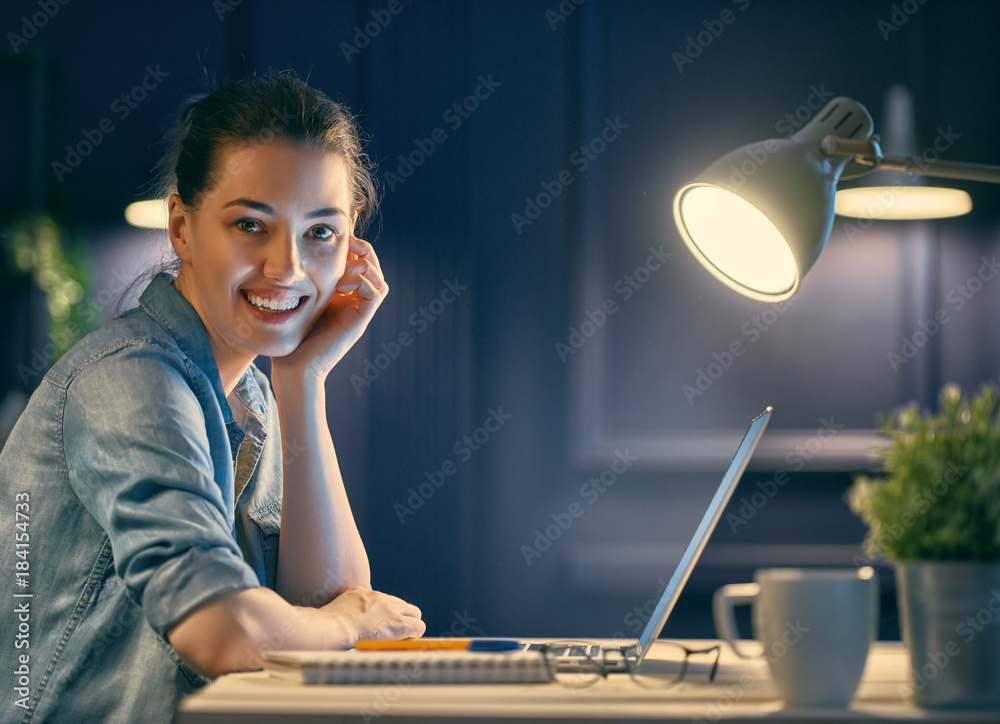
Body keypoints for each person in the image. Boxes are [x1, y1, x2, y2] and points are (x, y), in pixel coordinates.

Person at [0, 72, 425, 722]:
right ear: (181, 228)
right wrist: (348, 621)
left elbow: (318, 608)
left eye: (320, 233)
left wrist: (303, 382)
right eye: (252, 225)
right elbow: (227, 630)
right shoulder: (131, 382)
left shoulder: (253, 389)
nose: (288, 267)